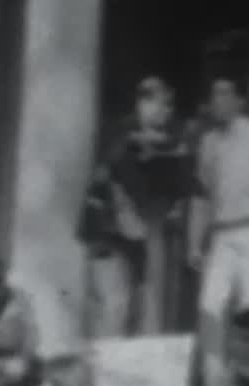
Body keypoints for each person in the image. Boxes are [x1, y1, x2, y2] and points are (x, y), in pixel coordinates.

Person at [190, 68, 249, 386]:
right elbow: (205, 193)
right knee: (210, 307)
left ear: (241, 100)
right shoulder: (208, 142)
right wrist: (195, 242)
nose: (219, 100)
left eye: (226, 93)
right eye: (215, 94)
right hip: (222, 234)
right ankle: (214, 381)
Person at [79, 75, 193, 337]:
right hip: (108, 231)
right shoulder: (118, 135)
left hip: (139, 233)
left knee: (136, 305)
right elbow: (111, 174)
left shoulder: (165, 140)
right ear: (144, 103)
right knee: (114, 303)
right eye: (163, 104)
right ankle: (103, 359)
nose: (167, 112)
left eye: (170, 106)